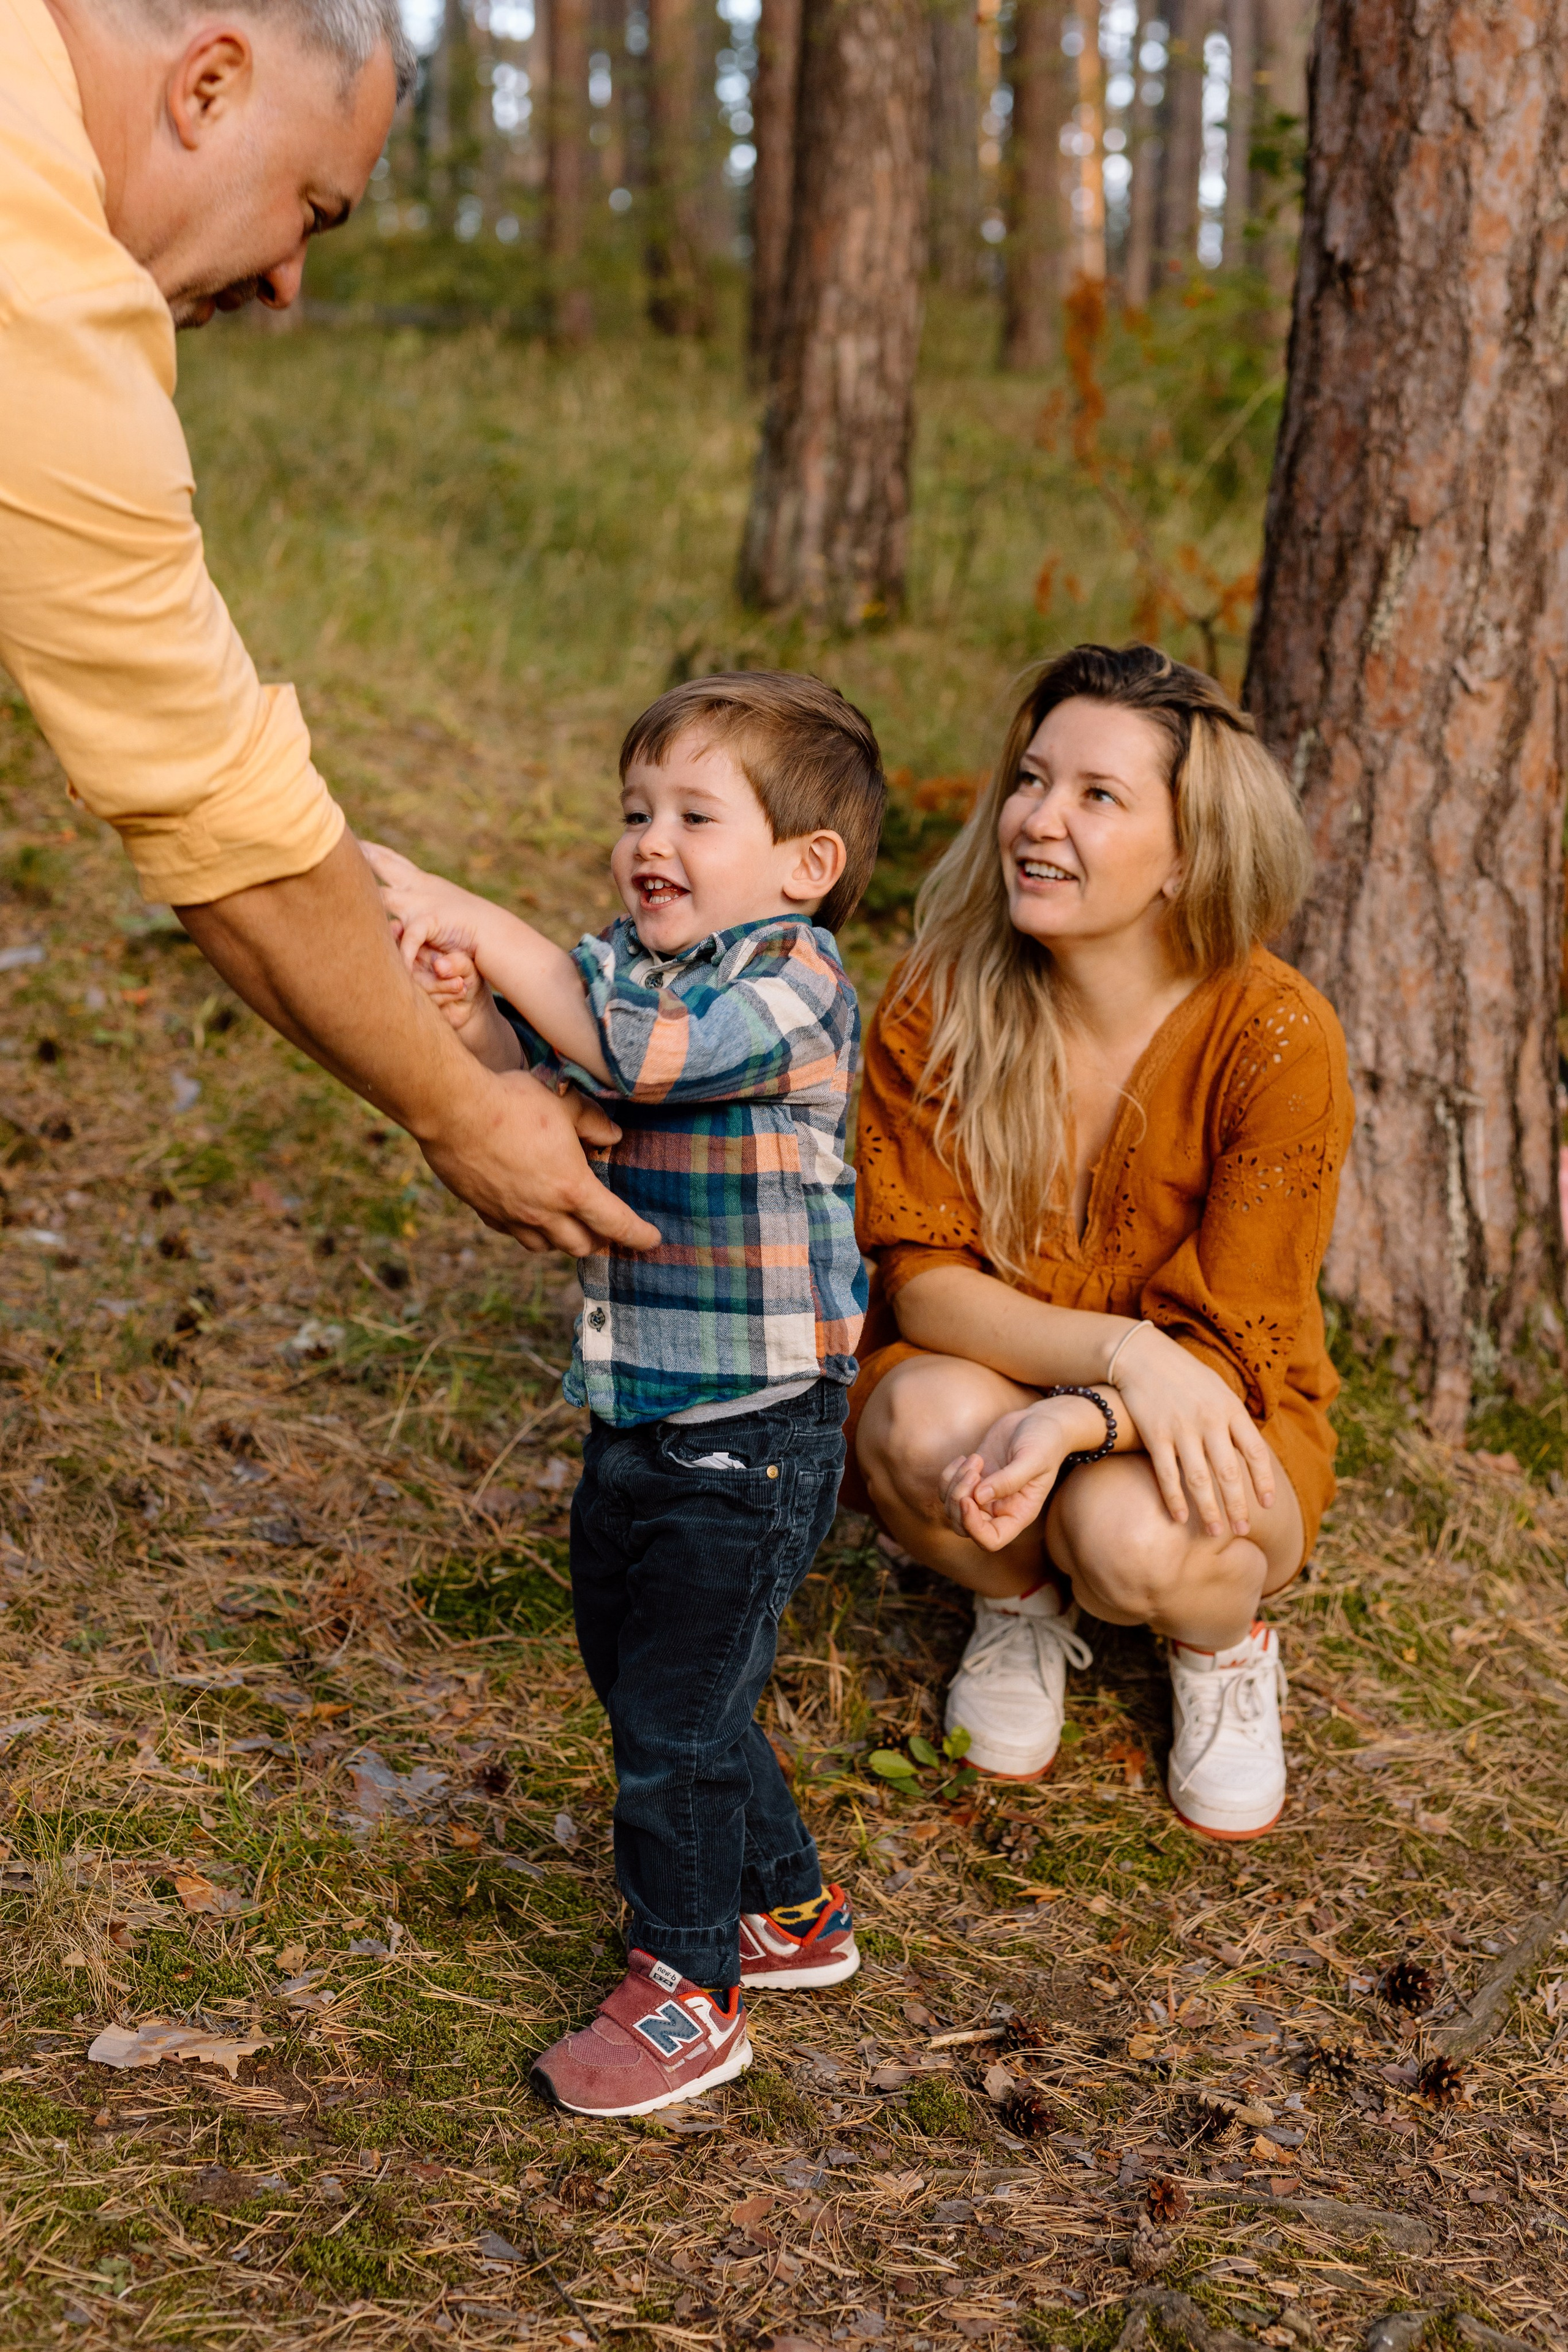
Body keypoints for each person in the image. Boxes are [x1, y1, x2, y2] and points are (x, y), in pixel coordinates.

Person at [0, 0, 654, 1260]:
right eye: (313, 207)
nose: (288, 286)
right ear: (209, 86)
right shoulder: (39, 292)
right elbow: (212, 804)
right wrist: (461, 1109)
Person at [366, 673, 886, 2117]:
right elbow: (537, 1078)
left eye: (692, 815)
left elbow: (635, 1058)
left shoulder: (791, 986)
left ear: (802, 866)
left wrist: (482, 917)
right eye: (634, 811)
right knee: (662, 1684)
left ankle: (688, 1985)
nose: (647, 840)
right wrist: (468, 1008)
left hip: (758, 1432)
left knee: (668, 1725)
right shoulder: (627, 972)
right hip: (642, 1411)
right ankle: (787, 1911)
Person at [848, 644, 1354, 1841]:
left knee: (1125, 1537)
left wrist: (1085, 1411)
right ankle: (1015, 1601)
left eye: (1095, 796)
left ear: (1186, 854)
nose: (1036, 819)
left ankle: (1220, 1649)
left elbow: (1231, 1339)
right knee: (916, 1429)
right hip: (996, 1371)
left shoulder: (1275, 1038)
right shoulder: (940, 996)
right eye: (1029, 780)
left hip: (1217, 1397)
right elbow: (922, 1283)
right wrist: (1117, 1360)